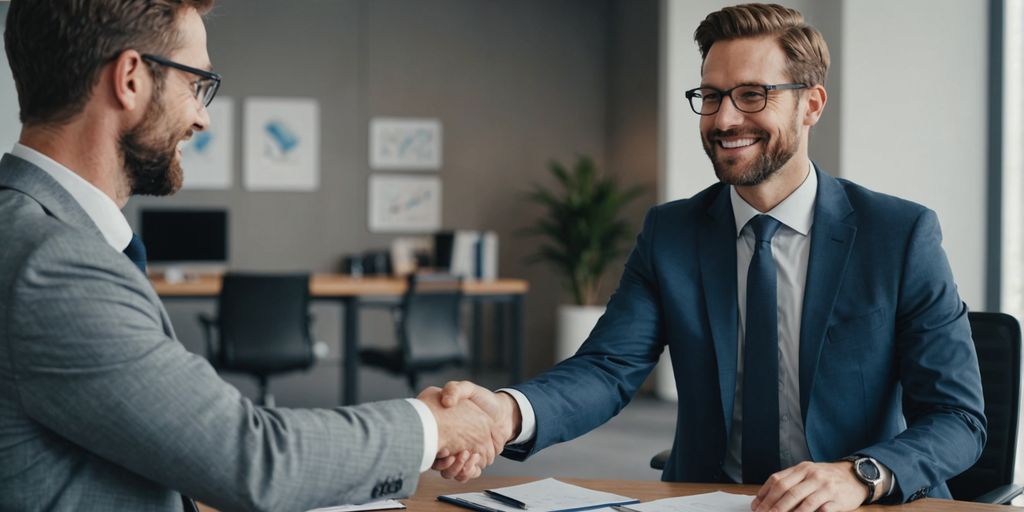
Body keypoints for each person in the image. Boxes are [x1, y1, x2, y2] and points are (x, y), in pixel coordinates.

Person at [434, 4, 986, 512]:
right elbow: (608, 369)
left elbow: (958, 418)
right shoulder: (671, 232)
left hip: (859, 504)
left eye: (752, 95)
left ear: (811, 104)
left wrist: (860, 474)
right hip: (710, 500)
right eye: (712, 96)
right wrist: (504, 414)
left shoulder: (899, 234)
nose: (724, 120)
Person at [0, 1, 500, 510]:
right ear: (130, 79)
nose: (202, 119)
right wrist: (431, 426)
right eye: (196, 84)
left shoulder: (30, 233)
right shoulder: (54, 265)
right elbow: (253, 459)